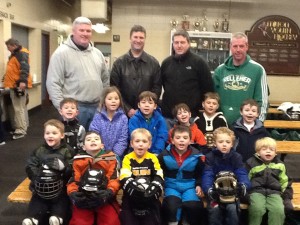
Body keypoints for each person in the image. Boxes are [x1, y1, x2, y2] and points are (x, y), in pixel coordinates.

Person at [46, 16, 110, 130]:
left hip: (97, 107)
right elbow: (53, 83)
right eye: (81, 30)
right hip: (75, 109)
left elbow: (105, 80)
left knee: (94, 142)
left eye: (88, 31)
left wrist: (103, 102)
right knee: (74, 143)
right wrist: (63, 109)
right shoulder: (61, 54)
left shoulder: (97, 53)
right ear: (73, 31)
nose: (85, 33)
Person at [22, 119, 74, 225]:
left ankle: (57, 216)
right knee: (37, 198)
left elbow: (73, 168)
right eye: (47, 133)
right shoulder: (39, 150)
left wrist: (65, 167)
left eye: (54, 133)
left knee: (61, 199)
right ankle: (33, 218)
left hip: (61, 186)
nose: (50, 136)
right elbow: (30, 165)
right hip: (40, 185)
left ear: (62, 135)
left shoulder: (67, 150)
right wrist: (37, 176)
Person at [213, 32, 269, 126]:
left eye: (241, 46)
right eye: (235, 46)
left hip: (247, 125)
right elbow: (213, 97)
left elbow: (263, 101)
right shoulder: (220, 70)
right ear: (230, 47)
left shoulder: (258, 69)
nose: (238, 50)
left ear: (247, 47)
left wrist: (259, 123)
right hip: (223, 124)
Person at [160, 29, 214, 124]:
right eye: (176, 42)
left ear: (188, 43)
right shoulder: (166, 63)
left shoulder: (199, 62)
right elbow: (164, 85)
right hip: (169, 117)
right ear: (173, 44)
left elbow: (208, 88)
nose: (179, 45)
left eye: (182, 42)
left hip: (191, 117)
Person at [67, 131, 120, 225]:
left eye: (96, 139)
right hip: (84, 198)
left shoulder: (111, 159)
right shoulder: (77, 160)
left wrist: (109, 192)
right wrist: (73, 193)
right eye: (88, 139)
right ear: (83, 147)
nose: (92, 140)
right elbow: (74, 179)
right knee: (79, 223)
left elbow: (113, 178)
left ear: (102, 145)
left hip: (104, 198)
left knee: (111, 222)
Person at [201, 127, 251, 225]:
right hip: (215, 192)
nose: (224, 144)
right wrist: (208, 189)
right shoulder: (210, 157)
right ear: (215, 143)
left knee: (232, 209)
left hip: (232, 192)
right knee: (214, 210)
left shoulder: (236, 157)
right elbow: (208, 174)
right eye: (221, 142)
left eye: (228, 142)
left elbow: (241, 173)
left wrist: (244, 185)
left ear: (232, 144)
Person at [158, 125, 206, 225]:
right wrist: (161, 186)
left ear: (190, 140)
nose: (181, 141)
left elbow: (200, 173)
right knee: (171, 205)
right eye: (178, 138)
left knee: (192, 205)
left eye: (185, 138)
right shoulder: (164, 155)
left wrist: (198, 184)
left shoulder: (196, 155)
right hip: (171, 186)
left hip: (190, 186)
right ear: (172, 140)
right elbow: (159, 172)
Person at [110, 25, 162, 118]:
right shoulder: (119, 63)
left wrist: (144, 107)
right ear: (130, 39)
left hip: (147, 115)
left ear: (145, 39)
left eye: (141, 37)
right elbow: (115, 90)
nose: (138, 40)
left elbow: (156, 89)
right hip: (123, 115)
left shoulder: (153, 63)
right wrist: (127, 109)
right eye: (135, 37)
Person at [120, 128, 164, 225]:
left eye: (144, 141)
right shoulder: (127, 158)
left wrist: (155, 187)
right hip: (131, 197)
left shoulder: (153, 158)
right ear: (131, 144)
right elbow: (124, 175)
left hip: (149, 195)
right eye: (137, 141)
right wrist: (133, 187)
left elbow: (159, 174)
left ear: (149, 144)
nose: (140, 144)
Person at [246, 137, 293, 225]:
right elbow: (246, 179)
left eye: (271, 149)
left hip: (274, 192)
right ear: (258, 153)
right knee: (257, 209)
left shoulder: (280, 165)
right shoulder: (251, 163)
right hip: (256, 191)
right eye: (264, 149)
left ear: (275, 153)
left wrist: (286, 197)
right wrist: (246, 193)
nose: (268, 151)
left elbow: (285, 181)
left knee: (278, 210)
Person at [3, 38, 32, 140]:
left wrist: (22, 82)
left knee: (19, 108)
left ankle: (21, 130)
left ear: (14, 45)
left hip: (17, 85)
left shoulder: (21, 54)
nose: (8, 49)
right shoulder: (15, 55)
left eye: (9, 47)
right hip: (14, 84)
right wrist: (4, 79)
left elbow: (25, 68)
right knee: (20, 108)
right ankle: (21, 127)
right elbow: (12, 70)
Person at [89, 86, 128, 158]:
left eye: (116, 99)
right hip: (99, 155)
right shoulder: (98, 117)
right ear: (104, 101)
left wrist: (115, 154)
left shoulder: (123, 118)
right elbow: (94, 135)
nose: (113, 101)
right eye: (110, 99)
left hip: (116, 156)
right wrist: (102, 153)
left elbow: (123, 138)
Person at [129, 91, 168, 155]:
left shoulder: (160, 119)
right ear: (139, 105)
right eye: (143, 102)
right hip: (137, 152)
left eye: (150, 103)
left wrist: (156, 151)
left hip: (156, 153)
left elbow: (162, 136)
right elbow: (133, 136)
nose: (146, 105)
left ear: (155, 106)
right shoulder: (134, 120)